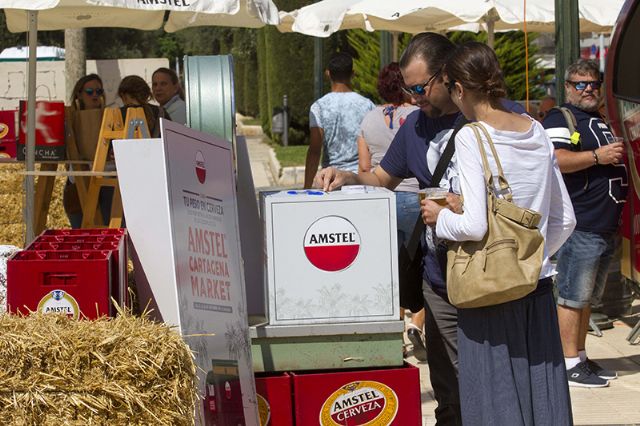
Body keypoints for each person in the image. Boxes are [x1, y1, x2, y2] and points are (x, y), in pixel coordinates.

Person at [315, 33, 526, 425]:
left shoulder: (495, 116)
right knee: (449, 391)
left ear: (447, 76)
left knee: (494, 383)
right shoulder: (414, 126)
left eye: (419, 87)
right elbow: (381, 177)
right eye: (406, 88)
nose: (413, 97)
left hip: (492, 276)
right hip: (439, 279)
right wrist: (347, 175)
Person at [422, 41, 575, 426]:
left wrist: (439, 217)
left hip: (489, 293)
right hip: (536, 287)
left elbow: (474, 225)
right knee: (543, 399)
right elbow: (565, 219)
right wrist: (529, 258)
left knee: (495, 402)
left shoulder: (472, 136)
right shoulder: (537, 131)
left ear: (458, 89)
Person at [543, 59, 627, 388]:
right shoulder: (561, 117)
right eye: (580, 84)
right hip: (581, 223)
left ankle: (579, 356)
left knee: (587, 298)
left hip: (604, 225)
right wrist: (597, 157)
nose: (588, 88)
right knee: (572, 296)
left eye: (593, 82)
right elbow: (555, 159)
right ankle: (567, 364)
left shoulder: (599, 119)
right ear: (567, 87)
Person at [356, 62, 426, 361]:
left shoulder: (368, 119)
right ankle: (417, 324)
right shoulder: (418, 116)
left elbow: (364, 167)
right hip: (416, 198)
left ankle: (394, 332)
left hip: (382, 200)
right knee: (420, 267)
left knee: (390, 269)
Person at [304, 52, 374, 188]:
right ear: (353, 74)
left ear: (328, 73)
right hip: (359, 180)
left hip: (329, 180)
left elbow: (314, 149)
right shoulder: (368, 105)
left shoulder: (319, 107)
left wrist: (306, 186)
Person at [64, 74, 107, 228]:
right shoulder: (69, 118)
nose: (95, 95)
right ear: (79, 94)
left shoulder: (110, 117)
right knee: (81, 233)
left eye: (98, 91)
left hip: (107, 184)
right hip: (77, 184)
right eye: (89, 92)